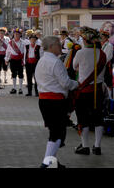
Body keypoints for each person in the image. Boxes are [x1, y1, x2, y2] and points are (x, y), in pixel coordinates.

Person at [35, 36, 79, 168]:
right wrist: (77, 84)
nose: (61, 47)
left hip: (44, 100)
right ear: (52, 46)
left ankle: (52, 161)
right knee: (57, 133)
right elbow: (65, 83)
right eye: (59, 45)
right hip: (55, 101)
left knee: (54, 131)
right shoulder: (55, 62)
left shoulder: (42, 60)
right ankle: (46, 163)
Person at [72, 27, 107, 156]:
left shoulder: (80, 53)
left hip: (84, 91)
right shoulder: (102, 54)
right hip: (98, 91)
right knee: (98, 118)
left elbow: (73, 66)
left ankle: (85, 146)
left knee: (83, 119)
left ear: (85, 40)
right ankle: (97, 146)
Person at [5, 28, 25, 94]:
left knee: (20, 74)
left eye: (18, 34)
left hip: (20, 60)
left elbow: (25, 52)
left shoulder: (23, 42)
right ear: (13, 34)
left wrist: (24, 60)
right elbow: (8, 52)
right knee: (13, 74)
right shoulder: (10, 42)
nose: (16, 35)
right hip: (13, 60)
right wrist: (6, 59)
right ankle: (14, 88)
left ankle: (20, 88)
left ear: (20, 35)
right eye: (15, 34)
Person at [100, 29, 113, 98]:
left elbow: (108, 57)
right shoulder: (102, 45)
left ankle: (109, 99)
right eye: (101, 37)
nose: (101, 38)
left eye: (102, 37)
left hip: (107, 67)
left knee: (108, 83)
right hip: (103, 66)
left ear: (106, 37)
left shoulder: (109, 45)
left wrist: (101, 63)